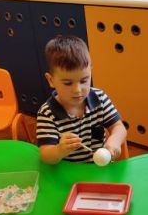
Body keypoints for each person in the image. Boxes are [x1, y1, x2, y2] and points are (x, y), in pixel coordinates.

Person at [36, 35, 127, 164]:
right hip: (70, 171)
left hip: (98, 168)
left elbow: (119, 127)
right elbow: (45, 156)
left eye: (84, 81)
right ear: (51, 80)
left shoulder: (100, 98)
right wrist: (59, 150)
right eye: (68, 83)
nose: (77, 90)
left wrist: (114, 141)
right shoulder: (47, 114)